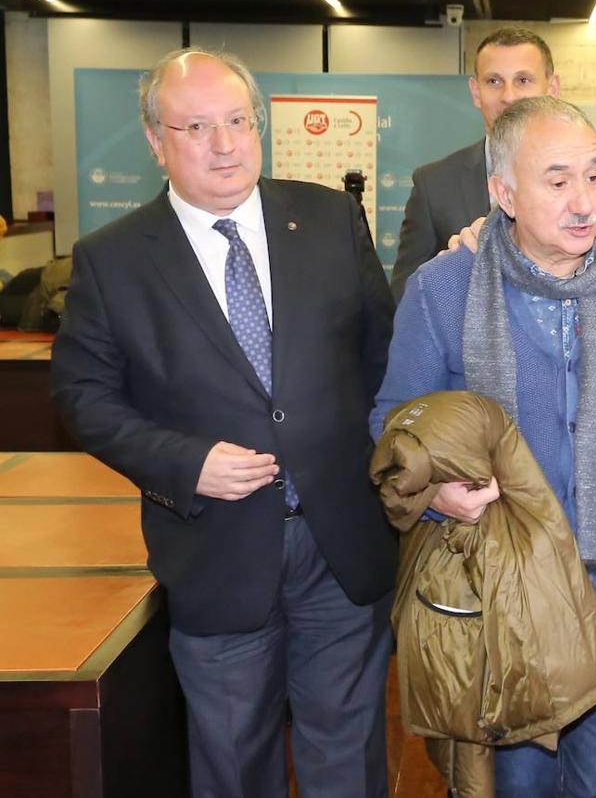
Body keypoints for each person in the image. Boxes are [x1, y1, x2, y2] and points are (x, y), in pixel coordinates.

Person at [51, 47, 398, 798]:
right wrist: (184, 461)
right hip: (215, 546)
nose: (225, 143)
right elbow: (85, 397)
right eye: (197, 126)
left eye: (238, 120)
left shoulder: (332, 220)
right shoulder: (112, 261)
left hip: (341, 544)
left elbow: (385, 360)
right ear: (155, 141)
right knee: (235, 765)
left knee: (349, 758)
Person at [372, 94, 596, 796]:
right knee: (516, 786)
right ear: (502, 193)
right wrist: (436, 497)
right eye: (556, 179)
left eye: (594, 175)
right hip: (503, 588)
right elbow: (394, 424)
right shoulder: (444, 287)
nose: (583, 201)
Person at [388, 26, 596, 300]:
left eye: (523, 80)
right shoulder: (433, 185)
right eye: (494, 81)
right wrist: (448, 271)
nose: (509, 96)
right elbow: (407, 298)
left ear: (552, 87)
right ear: (475, 91)